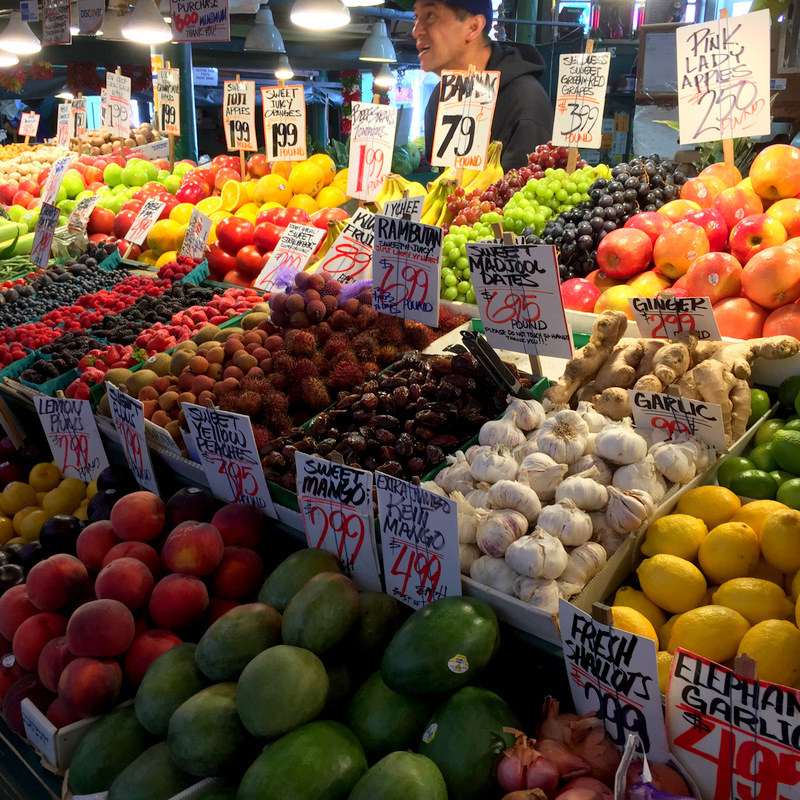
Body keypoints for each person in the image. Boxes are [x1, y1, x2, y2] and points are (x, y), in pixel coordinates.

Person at [414, 0, 554, 173]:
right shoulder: (441, 94)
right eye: (416, 17)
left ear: (473, 27)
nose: (416, 31)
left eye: (430, 15)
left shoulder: (525, 103)